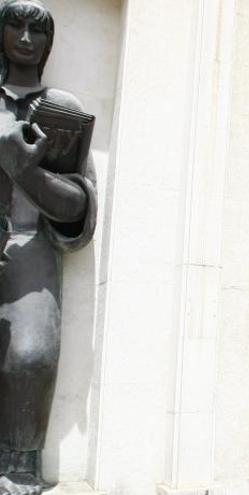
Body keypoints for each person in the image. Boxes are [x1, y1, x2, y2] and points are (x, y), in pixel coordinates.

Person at [0, 1, 97, 493]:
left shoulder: (61, 109)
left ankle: (20, 461)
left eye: (37, 30)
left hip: (33, 240)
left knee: (32, 353)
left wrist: (27, 170)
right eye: (14, 25)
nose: (24, 38)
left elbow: (79, 203)